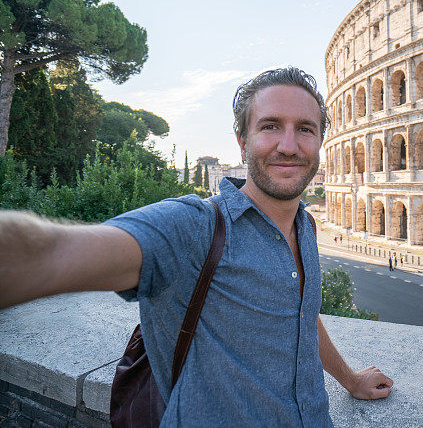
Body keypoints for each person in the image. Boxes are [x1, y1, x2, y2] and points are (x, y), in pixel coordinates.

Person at [0, 67, 392, 426]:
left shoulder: (305, 225)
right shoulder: (195, 226)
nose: (289, 146)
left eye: (305, 128)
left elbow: (300, 315)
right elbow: (47, 253)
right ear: (242, 140)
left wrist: (350, 379)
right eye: (270, 126)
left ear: (321, 140)